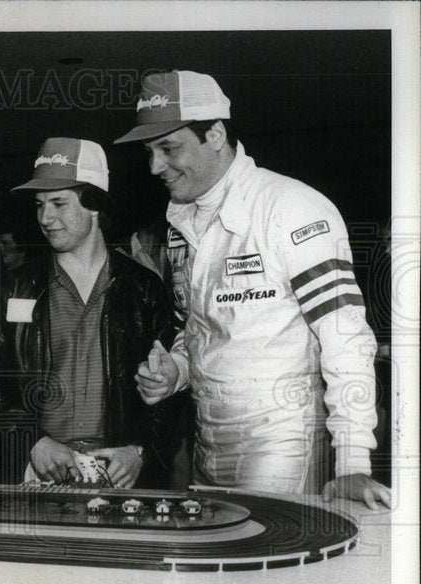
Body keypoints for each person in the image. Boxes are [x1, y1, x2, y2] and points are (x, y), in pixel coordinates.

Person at [117, 70, 390, 507]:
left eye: (169, 149)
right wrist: (176, 371)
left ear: (216, 133)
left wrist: (353, 461)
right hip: (209, 437)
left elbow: (347, 338)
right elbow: (201, 329)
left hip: (282, 438)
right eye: (149, 152)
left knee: (269, 562)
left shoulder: (291, 207)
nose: (155, 167)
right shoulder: (179, 222)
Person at [1, 137, 176, 487]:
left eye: (58, 203)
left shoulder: (144, 288)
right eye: (39, 205)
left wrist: (139, 450)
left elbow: (173, 392)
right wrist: (30, 441)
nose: (45, 218)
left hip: (117, 470)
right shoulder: (15, 287)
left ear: (95, 205)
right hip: (41, 470)